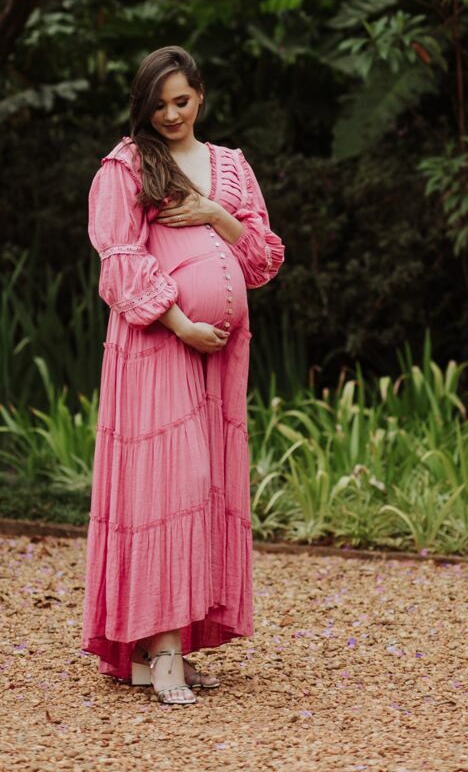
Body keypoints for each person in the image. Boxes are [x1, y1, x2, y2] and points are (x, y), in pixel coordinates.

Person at [79, 45, 285, 706]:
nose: (171, 114)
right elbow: (119, 261)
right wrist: (179, 323)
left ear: (200, 95)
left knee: (204, 492)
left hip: (220, 358)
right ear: (143, 106)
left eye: (182, 100)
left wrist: (213, 216)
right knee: (170, 488)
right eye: (158, 104)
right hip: (158, 344)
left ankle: (160, 651)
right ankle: (161, 654)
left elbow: (260, 260)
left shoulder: (229, 167)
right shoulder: (128, 166)